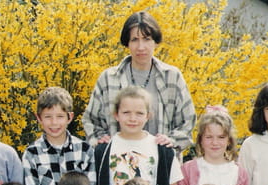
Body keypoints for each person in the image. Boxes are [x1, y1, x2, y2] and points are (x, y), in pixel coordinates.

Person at [82, 10, 195, 153]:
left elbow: (187, 122)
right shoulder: (108, 78)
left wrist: (170, 141)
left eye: (146, 39)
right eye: (134, 40)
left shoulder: (172, 77)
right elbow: (91, 120)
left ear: (155, 42)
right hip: (118, 160)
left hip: (161, 160)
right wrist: (101, 142)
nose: (141, 47)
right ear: (127, 43)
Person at [94, 85, 182, 185]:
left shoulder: (162, 149)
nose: (132, 118)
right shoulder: (103, 150)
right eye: (126, 112)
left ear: (148, 116)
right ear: (116, 115)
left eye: (139, 113)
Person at [22, 86, 95, 185]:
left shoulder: (84, 151)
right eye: (48, 117)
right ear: (39, 118)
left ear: (70, 117)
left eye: (60, 116)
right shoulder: (32, 154)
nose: (54, 123)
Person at [173, 106, 250, 185]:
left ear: (229, 140)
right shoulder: (187, 170)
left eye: (221, 137)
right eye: (209, 137)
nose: (215, 142)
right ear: (201, 139)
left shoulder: (239, 174)